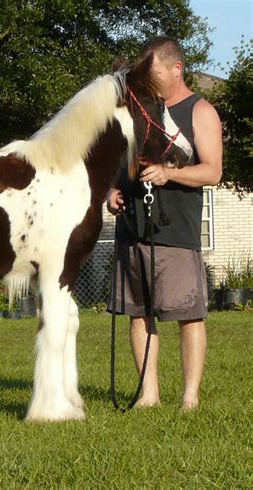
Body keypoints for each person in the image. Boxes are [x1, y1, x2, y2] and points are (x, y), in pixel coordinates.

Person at [107, 36, 223, 409]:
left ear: (176, 69)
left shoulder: (199, 111)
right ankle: (149, 394)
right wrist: (111, 192)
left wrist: (170, 174)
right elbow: (120, 161)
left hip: (175, 232)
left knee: (187, 316)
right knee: (138, 314)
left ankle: (190, 398)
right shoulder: (137, 108)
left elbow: (213, 171)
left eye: (153, 71)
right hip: (132, 230)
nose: (148, 79)